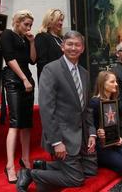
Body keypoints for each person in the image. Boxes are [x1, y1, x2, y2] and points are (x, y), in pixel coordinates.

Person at [16, 30, 97, 192]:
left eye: (77, 45)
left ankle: (45, 165)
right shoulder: (51, 70)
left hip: (82, 134)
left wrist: (92, 133)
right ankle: (30, 173)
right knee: (76, 179)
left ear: (83, 48)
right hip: (62, 136)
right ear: (62, 46)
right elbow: (46, 109)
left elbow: (87, 108)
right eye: (70, 44)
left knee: (91, 171)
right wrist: (56, 142)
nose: (73, 48)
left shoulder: (85, 73)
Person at [0, 10, 36, 184]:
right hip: (14, 80)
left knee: (27, 123)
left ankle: (26, 159)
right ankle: (9, 165)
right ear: (17, 22)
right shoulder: (8, 34)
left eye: (30, 25)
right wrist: (23, 79)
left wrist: (32, 42)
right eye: (26, 24)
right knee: (15, 122)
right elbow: (9, 59)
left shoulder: (24, 39)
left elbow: (33, 60)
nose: (28, 27)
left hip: (27, 80)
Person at [90, 71, 122, 174]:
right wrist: (97, 133)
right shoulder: (94, 102)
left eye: (116, 81)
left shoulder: (113, 101)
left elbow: (113, 124)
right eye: (112, 82)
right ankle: (101, 161)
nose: (116, 84)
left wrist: (118, 137)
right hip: (101, 146)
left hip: (114, 143)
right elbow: (88, 124)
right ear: (103, 84)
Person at [35, 9, 64, 80]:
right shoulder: (41, 36)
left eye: (62, 20)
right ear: (50, 21)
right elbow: (42, 63)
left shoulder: (62, 38)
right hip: (50, 79)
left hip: (63, 78)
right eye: (58, 20)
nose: (61, 23)